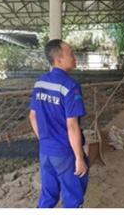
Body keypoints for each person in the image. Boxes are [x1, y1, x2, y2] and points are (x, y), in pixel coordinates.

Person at [29, 40, 89, 208]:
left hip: (46, 151)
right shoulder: (70, 86)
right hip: (65, 152)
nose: (75, 57)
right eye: (71, 54)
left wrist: (46, 140)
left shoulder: (40, 82)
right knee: (72, 199)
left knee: (48, 196)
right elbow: (72, 125)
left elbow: (32, 116)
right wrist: (79, 158)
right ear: (59, 59)